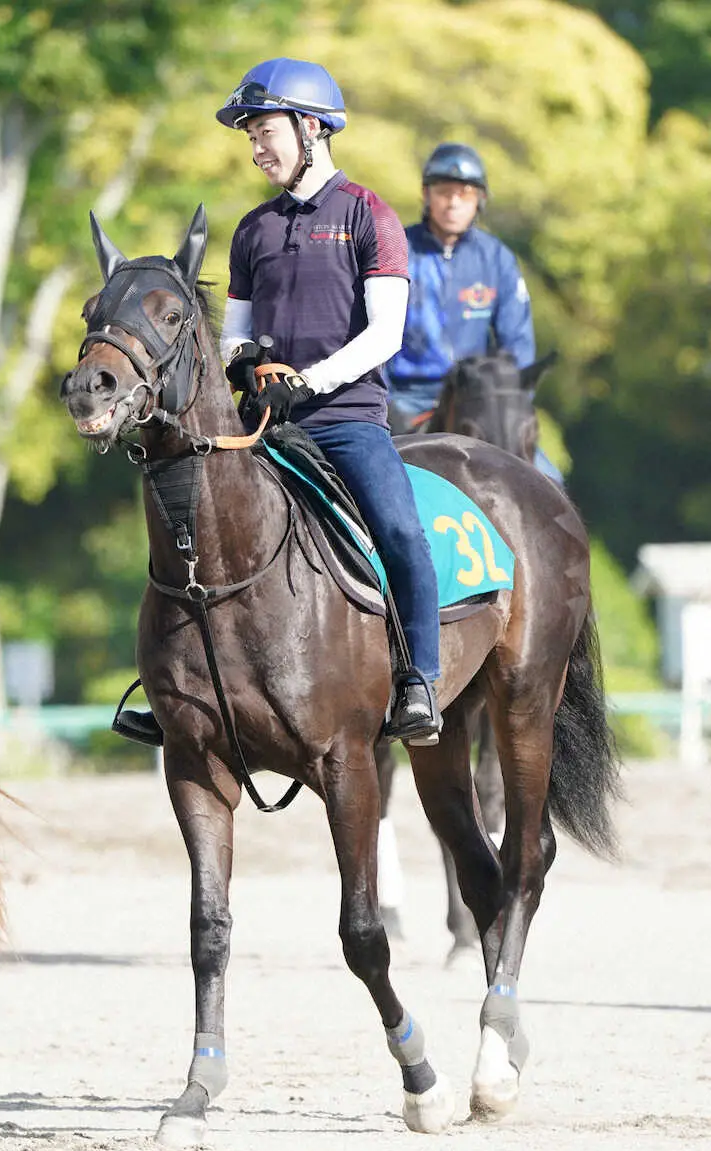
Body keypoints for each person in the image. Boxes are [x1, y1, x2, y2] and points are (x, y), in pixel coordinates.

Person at [216, 57, 442, 745]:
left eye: (265, 132)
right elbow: (232, 334)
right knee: (186, 517)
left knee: (402, 533)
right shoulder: (251, 229)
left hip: (344, 421)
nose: (256, 149)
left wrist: (307, 383)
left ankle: (420, 681)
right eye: (250, 136)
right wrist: (246, 362)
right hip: (262, 423)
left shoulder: (368, 214)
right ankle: (182, 687)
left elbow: (386, 334)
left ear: (310, 126)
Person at [387, 142, 561, 481]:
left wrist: (510, 405)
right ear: (426, 194)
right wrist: (382, 397)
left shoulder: (498, 259)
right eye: (444, 192)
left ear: (479, 200)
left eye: (464, 194)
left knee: (550, 481)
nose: (453, 203)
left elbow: (518, 346)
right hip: (406, 398)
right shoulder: (395, 251)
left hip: (477, 399)